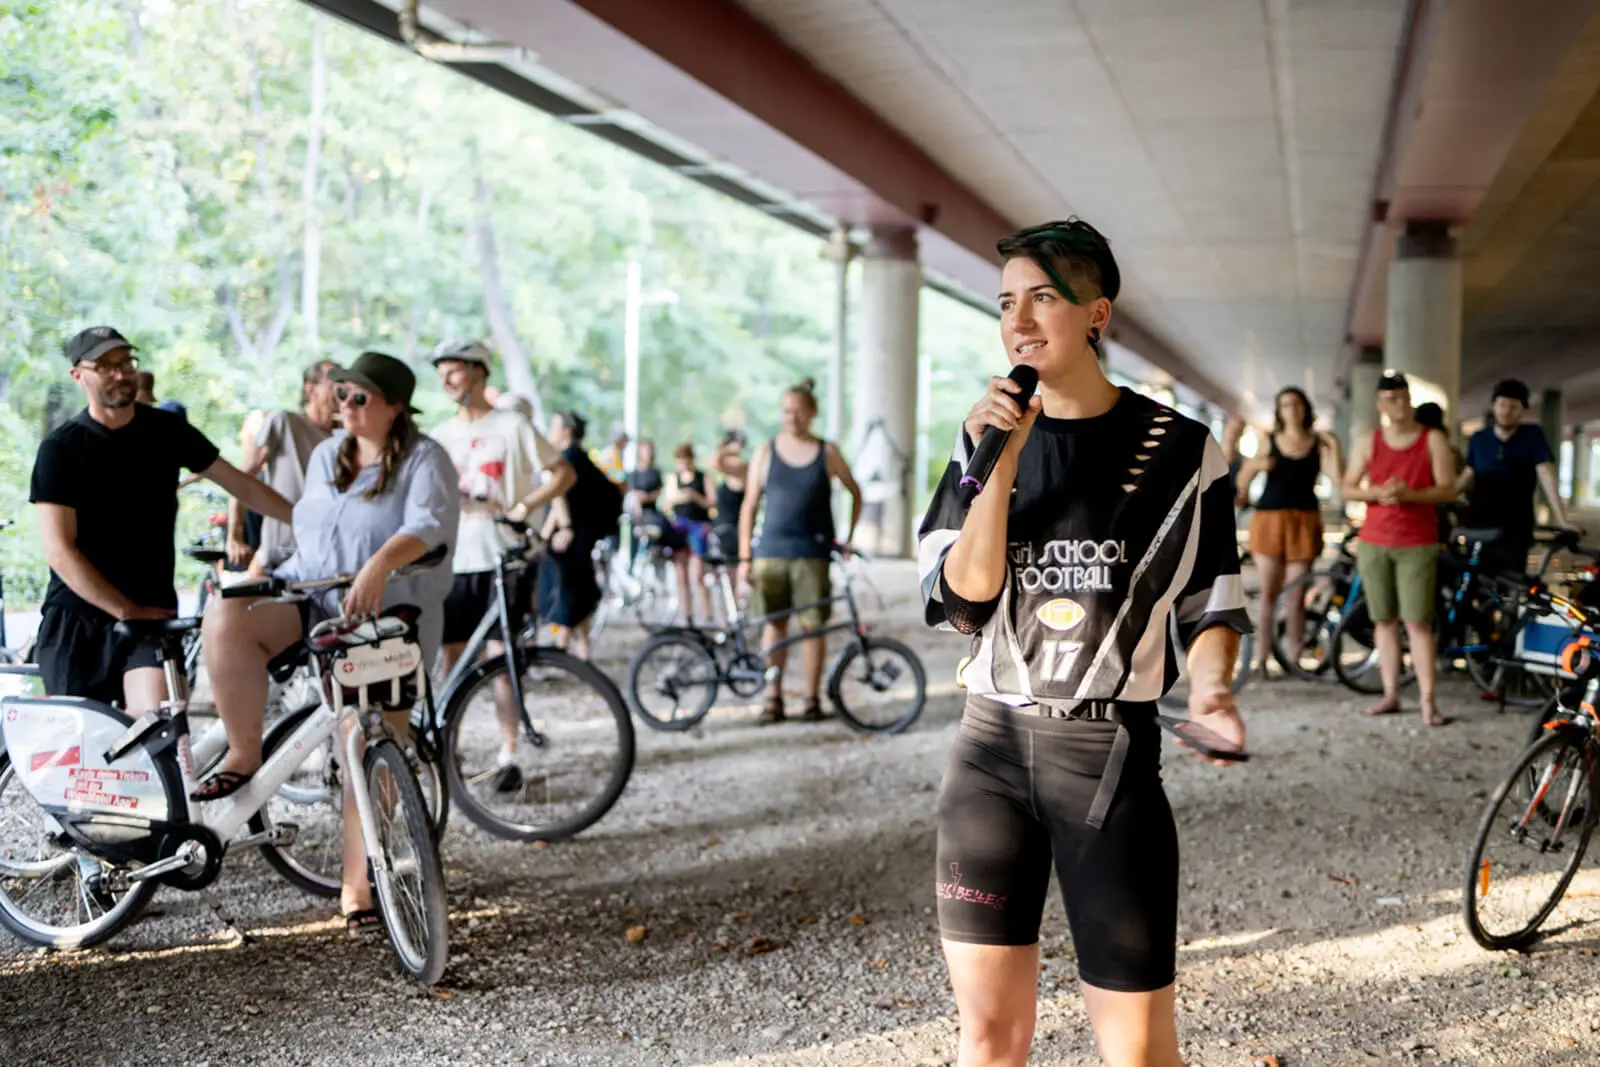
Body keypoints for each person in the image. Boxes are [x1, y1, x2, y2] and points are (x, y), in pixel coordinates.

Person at [918, 219, 1249, 1067]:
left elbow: (1211, 604)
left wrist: (1212, 692)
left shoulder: (1182, 451)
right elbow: (963, 603)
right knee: (988, 1039)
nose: (1019, 321)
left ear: (1096, 312)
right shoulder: (980, 437)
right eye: (1005, 303)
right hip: (989, 750)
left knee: (1138, 1053)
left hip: (1108, 756)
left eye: (1043, 298)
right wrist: (998, 468)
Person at [197, 350, 458, 931]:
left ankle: (357, 884)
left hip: (389, 616)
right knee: (227, 615)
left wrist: (378, 565)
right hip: (314, 598)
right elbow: (304, 529)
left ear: (394, 407)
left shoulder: (424, 459)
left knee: (363, 746)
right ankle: (244, 751)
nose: (345, 405)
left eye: (359, 397)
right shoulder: (323, 456)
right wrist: (255, 562)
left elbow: (429, 526)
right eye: (341, 394)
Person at [28, 326, 292, 711]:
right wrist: (124, 610)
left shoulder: (167, 431)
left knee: (158, 731)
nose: (119, 374)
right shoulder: (61, 448)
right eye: (104, 366)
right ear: (78, 375)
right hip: (77, 621)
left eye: (125, 363)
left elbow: (241, 484)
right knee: (81, 759)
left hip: (151, 619)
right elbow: (60, 551)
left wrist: (306, 520)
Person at [430, 341, 575, 791]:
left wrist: (523, 506)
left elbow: (563, 473)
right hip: (453, 560)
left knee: (501, 658)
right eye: (442, 372)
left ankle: (508, 753)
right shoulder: (439, 435)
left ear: (478, 373)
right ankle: (441, 750)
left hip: (501, 559)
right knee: (449, 659)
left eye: (454, 371)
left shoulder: (511, 426)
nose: (447, 379)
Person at [736, 379, 863, 724]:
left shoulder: (828, 452)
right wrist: (744, 558)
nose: (790, 417)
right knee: (774, 627)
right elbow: (748, 506)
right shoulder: (766, 451)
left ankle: (811, 698)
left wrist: (847, 538)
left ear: (811, 413)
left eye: (797, 411)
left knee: (812, 627)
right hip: (771, 552)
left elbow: (855, 492)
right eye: (785, 411)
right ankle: (772, 698)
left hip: (813, 552)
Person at [1342, 371, 1457, 726]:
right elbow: (1347, 488)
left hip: (1417, 542)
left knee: (1418, 623)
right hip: (1374, 541)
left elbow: (1448, 489)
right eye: (1391, 399)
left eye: (1404, 398)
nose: (1400, 404)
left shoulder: (1432, 439)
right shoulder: (1368, 441)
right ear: (1380, 404)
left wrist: (1410, 495)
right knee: (1384, 622)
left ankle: (1428, 701)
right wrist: (1376, 493)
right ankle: (1391, 694)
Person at [1235, 387, 1343, 674]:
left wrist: (1336, 448)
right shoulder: (1269, 441)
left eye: (1296, 404)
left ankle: (1295, 658)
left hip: (1304, 521)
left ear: (1305, 408)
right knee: (1269, 593)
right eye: (1285, 405)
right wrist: (1258, 468)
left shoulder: (1319, 443)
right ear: (1279, 411)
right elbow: (1245, 476)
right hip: (1269, 520)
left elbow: (1338, 478)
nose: (1291, 410)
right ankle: (1262, 660)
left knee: (1297, 594)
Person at [1459, 378, 1581, 576]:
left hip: (1516, 527)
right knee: (1476, 582)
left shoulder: (1532, 436)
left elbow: (1547, 476)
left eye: (1513, 406)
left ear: (1523, 409)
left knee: (1512, 582)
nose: (1506, 411)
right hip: (1480, 524)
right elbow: (1467, 476)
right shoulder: (1479, 439)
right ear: (1494, 405)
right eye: (1502, 404)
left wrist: (1562, 519)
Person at [227, 362, 339, 575]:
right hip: (281, 553)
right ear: (310, 388)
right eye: (333, 382)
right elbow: (240, 478)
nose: (341, 390)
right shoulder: (285, 422)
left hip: (326, 556)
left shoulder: (346, 438)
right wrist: (235, 536)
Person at [537, 411, 615, 660]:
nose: (550, 433)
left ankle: (562, 649)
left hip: (567, 538)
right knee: (579, 588)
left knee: (567, 589)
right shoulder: (585, 460)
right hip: (581, 537)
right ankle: (581, 648)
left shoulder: (566, 461)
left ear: (566, 432)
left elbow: (558, 497)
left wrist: (557, 530)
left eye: (553, 427)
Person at [665, 442, 715, 624]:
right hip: (679, 527)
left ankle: (708, 614)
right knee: (681, 575)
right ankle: (687, 615)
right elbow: (668, 503)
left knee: (698, 574)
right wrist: (681, 497)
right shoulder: (673, 478)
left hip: (698, 526)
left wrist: (694, 497)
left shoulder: (703, 477)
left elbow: (711, 502)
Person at [710, 428, 748, 559]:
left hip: (733, 530)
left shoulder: (741, 467)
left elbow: (715, 462)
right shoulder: (728, 472)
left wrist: (727, 449)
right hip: (723, 529)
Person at [594, 423, 631, 487]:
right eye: (624, 439)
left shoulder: (616, 452)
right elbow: (614, 474)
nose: (626, 443)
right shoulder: (611, 452)